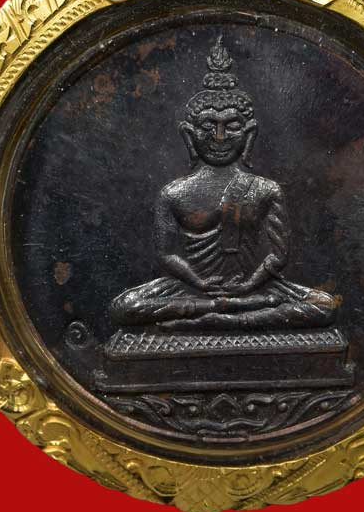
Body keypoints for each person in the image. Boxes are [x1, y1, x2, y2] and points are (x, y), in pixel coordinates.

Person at [109, 36, 339, 331]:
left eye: (231, 126)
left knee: (324, 305)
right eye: (208, 126)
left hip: (254, 288)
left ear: (249, 133)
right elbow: (167, 254)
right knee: (124, 307)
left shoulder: (266, 190)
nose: (219, 137)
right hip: (191, 289)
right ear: (189, 134)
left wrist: (248, 286)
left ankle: (227, 315)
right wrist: (199, 283)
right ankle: (221, 312)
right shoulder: (173, 194)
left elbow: (277, 255)